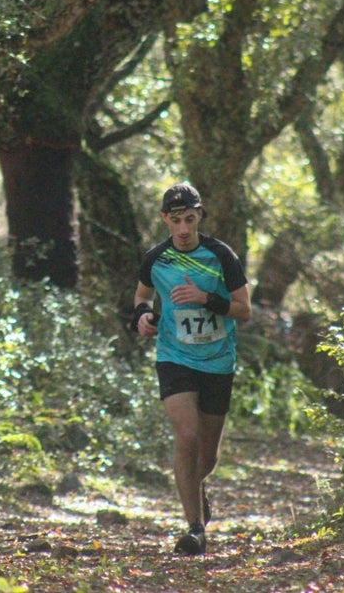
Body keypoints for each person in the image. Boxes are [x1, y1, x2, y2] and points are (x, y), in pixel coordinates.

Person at [130, 183, 253, 556]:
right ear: (164, 219)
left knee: (208, 456)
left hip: (217, 361)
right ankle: (195, 529)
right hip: (174, 357)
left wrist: (206, 299)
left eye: (190, 219)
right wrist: (143, 316)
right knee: (186, 433)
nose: (183, 228)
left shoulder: (221, 255)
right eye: (176, 220)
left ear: (199, 217)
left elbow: (244, 310)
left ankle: (196, 491)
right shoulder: (156, 258)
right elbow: (140, 295)